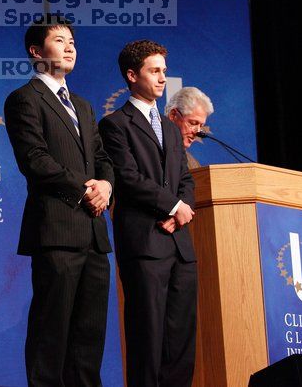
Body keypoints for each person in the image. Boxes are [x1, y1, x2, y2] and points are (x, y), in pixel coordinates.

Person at [4, 15, 114, 387]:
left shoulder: (83, 106)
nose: (70, 47)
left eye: (72, 41)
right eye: (59, 40)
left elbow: (102, 158)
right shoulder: (24, 99)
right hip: (57, 229)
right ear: (36, 51)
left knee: (89, 340)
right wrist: (85, 190)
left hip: (94, 235)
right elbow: (35, 160)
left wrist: (107, 186)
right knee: (51, 335)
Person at [99, 40, 196, 387]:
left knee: (181, 343)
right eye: (154, 71)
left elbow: (184, 178)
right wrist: (172, 206)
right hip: (145, 244)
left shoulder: (171, 127)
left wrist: (183, 208)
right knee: (148, 340)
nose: (162, 78)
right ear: (131, 75)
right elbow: (127, 177)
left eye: (164, 72)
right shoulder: (114, 125)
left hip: (180, 247)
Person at [165, 87, 214, 169]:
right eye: (193, 123)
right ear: (173, 115)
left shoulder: (192, 163)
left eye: (201, 126)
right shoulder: (151, 149)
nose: (197, 132)